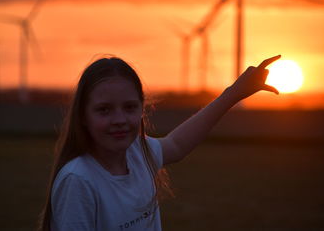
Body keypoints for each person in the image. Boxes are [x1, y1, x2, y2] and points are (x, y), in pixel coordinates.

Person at [38, 54, 281, 231]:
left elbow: (176, 145)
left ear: (142, 109)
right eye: (104, 110)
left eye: (130, 107)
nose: (119, 119)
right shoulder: (79, 180)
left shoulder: (139, 153)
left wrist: (235, 93)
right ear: (83, 116)